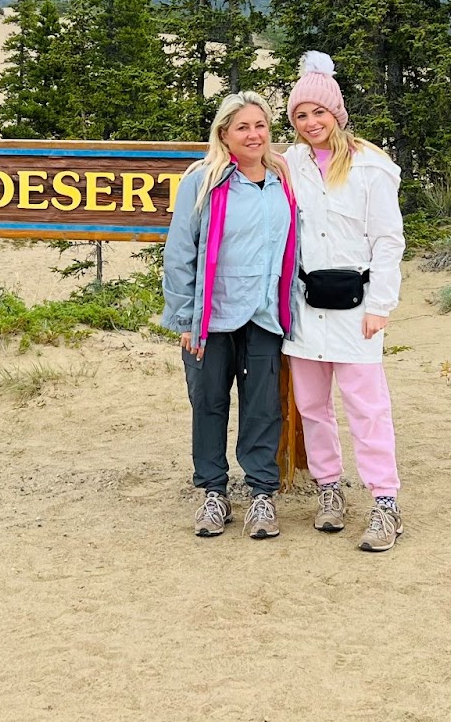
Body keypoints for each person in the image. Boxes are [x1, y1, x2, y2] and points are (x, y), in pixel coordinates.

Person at [282, 52, 407, 552]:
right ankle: (329, 489)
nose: (311, 124)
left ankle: (385, 501)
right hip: (305, 306)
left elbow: (388, 241)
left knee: (367, 406)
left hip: (357, 306)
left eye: (319, 112)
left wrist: (381, 304)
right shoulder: (289, 164)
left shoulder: (373, 168)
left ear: (337, 112)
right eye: (300, 116)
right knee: (313, 407)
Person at [162, 91, 299, 540]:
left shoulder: (282, 180)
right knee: (209, 403)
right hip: (211, 316)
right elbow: (180, 252)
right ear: (224, 133)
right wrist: (184, 318)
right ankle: (214, 492)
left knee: (262, 407)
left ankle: (262, 493)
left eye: (260, 126)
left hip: (263, 314)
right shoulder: (202, 181)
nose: (253, 134)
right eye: (242, 127)